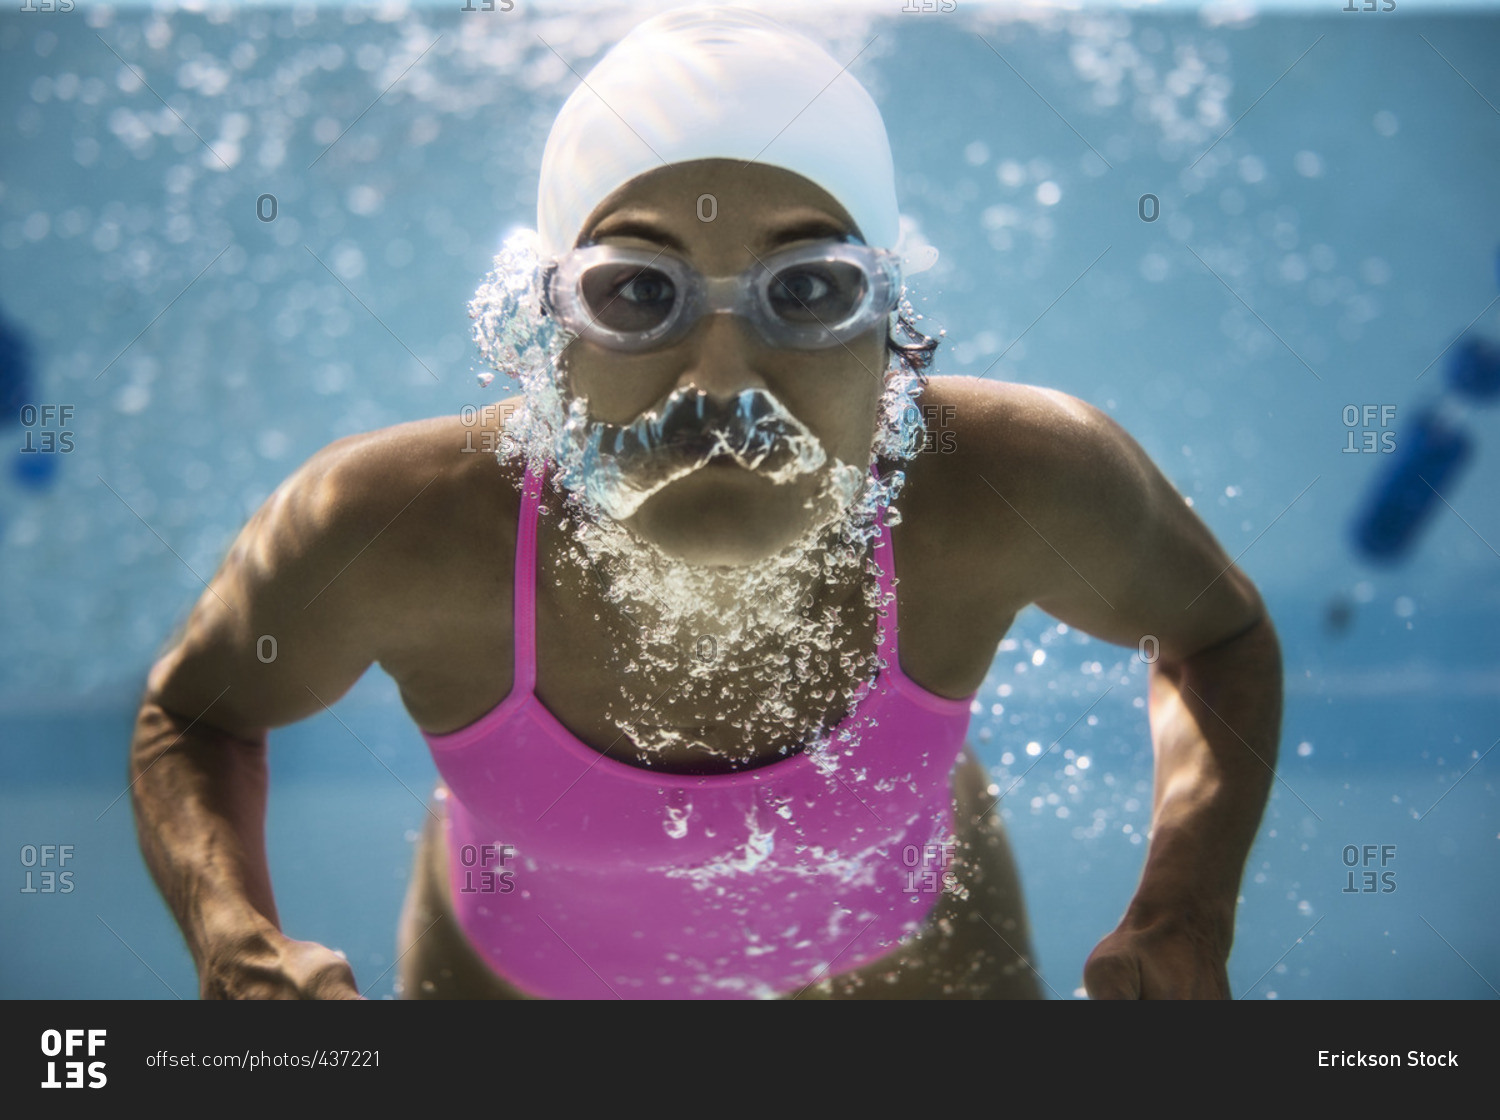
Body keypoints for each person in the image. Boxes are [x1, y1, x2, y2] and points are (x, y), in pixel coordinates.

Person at [130, 6, 1282, 1000]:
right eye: (639, 291)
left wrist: (1187, 906)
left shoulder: (1017, 480)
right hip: (517, 991)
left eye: (809, 290)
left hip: (918, 972)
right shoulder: (390, 526)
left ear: (889, 332)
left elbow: (1216, 636)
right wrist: (230, 934)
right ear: (545, 332)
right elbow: (192, 717)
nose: (721, 378)